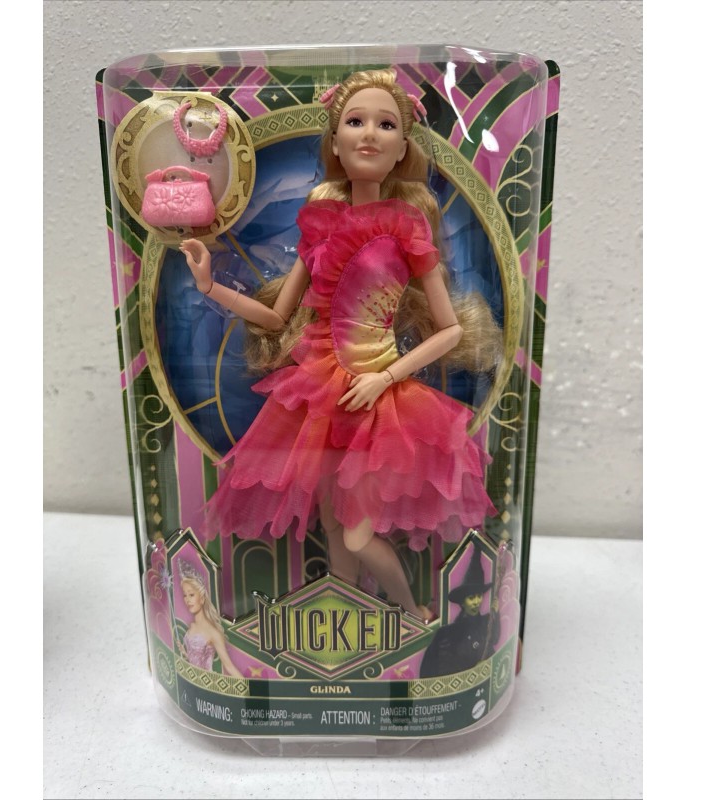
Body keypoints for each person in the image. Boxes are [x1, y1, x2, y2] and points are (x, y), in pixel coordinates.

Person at [179, 69, 502, 621]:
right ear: (334, 142)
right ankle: (348, 609)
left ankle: (413, 610)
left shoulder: (406, 226)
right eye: (355, 121)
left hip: (381, 396)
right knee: (333, 524)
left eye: (386, 125)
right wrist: (211, 287)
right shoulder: (321, 223)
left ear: (403, 148)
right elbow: (277, 316)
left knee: (356, 533)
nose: (369, 134)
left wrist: (387, 376)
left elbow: (449, 330)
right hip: (319, 389)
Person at [419, 548, 500, 677]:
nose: (476, 602)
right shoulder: (447, 634)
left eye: (479, 596)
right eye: (471, 598)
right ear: (462, 602)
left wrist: (496, 613)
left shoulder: (487, 621)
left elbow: (494, 640)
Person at [177, 559, 243, 678]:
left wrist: (248, 687)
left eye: (191, 595)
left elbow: (229, 666)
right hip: (192, 681)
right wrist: (184, 653)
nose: (187, 600)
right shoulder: (192, 626)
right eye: (185, 595)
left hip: (205, 681)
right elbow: (195, 659)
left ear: (202, 598)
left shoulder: (213, 632)